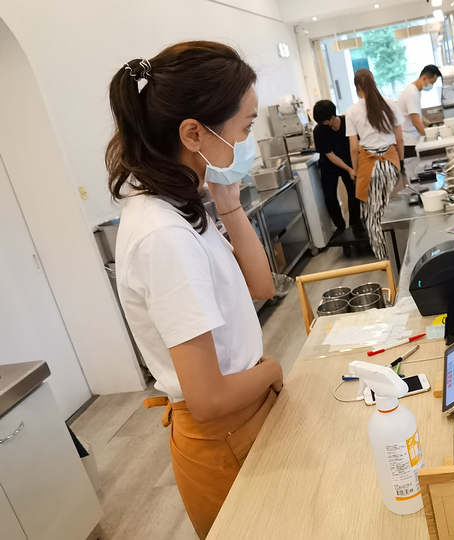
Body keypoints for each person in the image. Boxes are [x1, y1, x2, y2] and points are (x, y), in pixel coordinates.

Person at [106, 42, 283, 539]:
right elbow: (207, 398)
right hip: (224, 433)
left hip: (245, 409)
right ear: (193, 133)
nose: (248, 141)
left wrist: (229, 204)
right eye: (245, 127)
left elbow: (261, 287)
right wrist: (271, 370)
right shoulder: (162, 234)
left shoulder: (184, 204)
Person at [346, 69, 403, 260]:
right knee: (395, 208)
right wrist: (400, 162)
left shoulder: (352, 111)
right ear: (374, 83)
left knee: (373, 215)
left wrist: (355, 171)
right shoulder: (390, 104)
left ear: (357, 87)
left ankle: (385, 259)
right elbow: (399, 138)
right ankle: (401, 253)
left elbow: (354, 147)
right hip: (391, 162)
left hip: (368, 167)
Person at [312, 99, 366, 238]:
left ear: (331, 116)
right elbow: (330, 155)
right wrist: (348, 169)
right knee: (330, 196)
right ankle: (340, 227)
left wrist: (354, 168)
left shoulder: (348, 123)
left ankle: (355, 224)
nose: (321, 123)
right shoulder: (319, 130)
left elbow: (357, 145)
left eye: (323, 120)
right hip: (329, 165)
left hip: (349, 160)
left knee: (353, 193)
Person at [397, 65, 442, 178]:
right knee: (415, 176)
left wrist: (431, 125)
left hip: (411, 139)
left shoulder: (414, 90)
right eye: (432, 82)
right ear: (425, 78)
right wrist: (429, 137)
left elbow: (417, 114)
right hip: (408, 142)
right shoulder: (412, 93)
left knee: (418, 174)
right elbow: (416, 121)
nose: (432, 86)